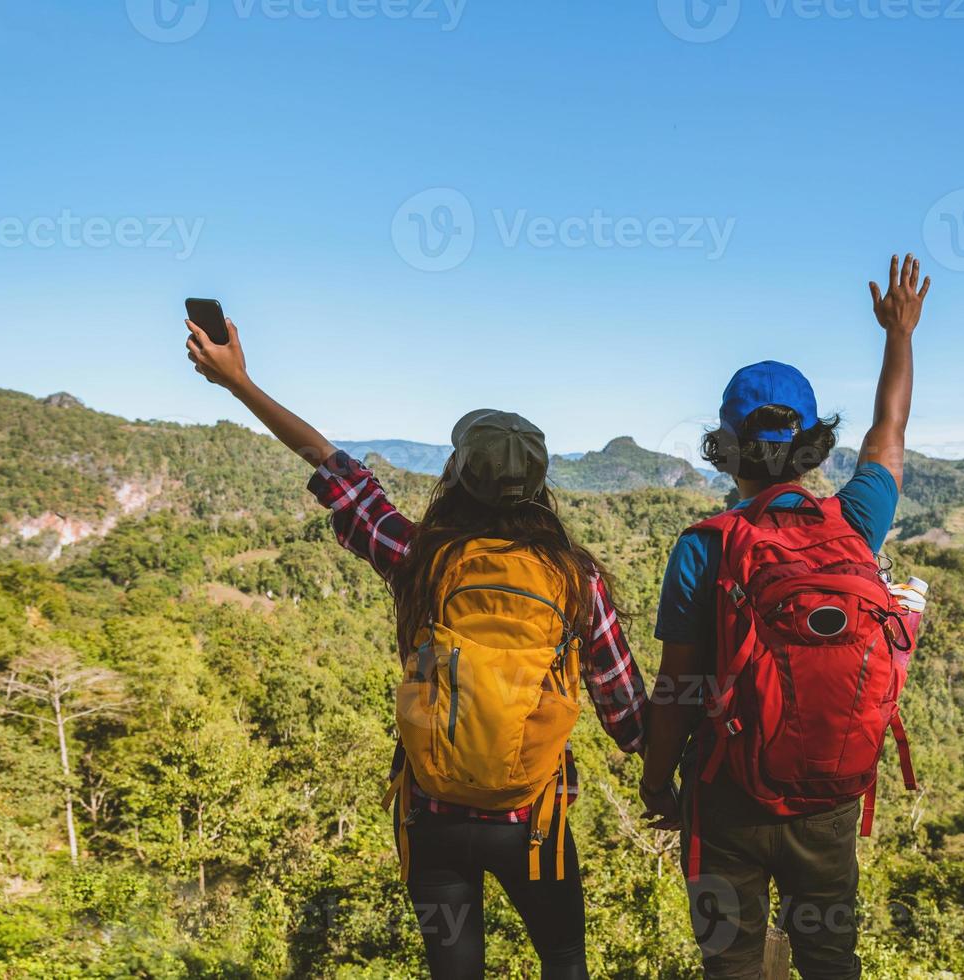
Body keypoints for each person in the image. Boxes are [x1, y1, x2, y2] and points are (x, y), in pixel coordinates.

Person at [184, 317, 646, 980]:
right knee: (565, 961)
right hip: (534, 822)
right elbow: (625, 709)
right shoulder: (576, 578)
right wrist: (668, 786)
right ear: (538, 484)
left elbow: (335, 468)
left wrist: (238, 382)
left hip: (433, 816)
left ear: (456, 474)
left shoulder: (421, 558)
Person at [639, 254, 930, 979]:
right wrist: (900, 332)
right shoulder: (855, 520)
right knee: (830, 958)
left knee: (731, 965)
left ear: (725, 446)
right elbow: (888, 433)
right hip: (826, 793)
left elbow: (676, 689)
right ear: (811, 446)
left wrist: (656, 781)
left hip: (725, 793)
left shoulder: (705, 547)